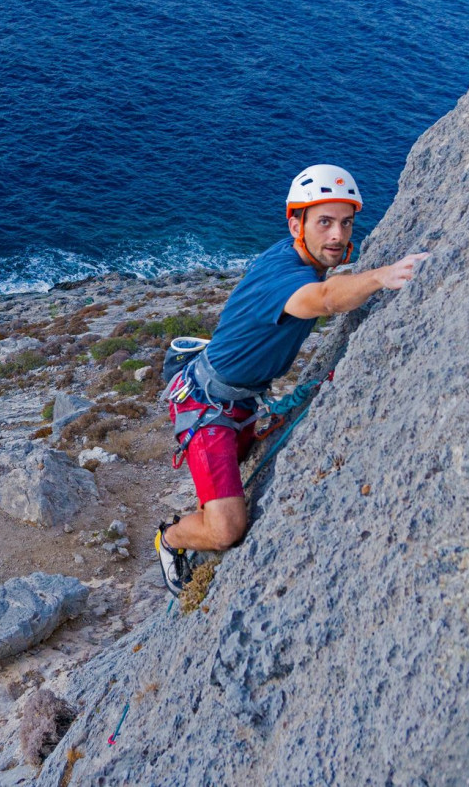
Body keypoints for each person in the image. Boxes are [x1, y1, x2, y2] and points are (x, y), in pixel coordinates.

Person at [155, 164, 429, 595]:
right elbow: (322, 300)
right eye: (324, 222)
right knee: (226, 528)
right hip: (207, 407)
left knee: (227, 482)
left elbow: (324, 285)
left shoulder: (297, 257)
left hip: (240, 400)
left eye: (346, 222)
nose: (337, 236)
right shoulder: (287, 278)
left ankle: (203, 513)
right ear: (295, 223)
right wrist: (380, 276)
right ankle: (170, 539)